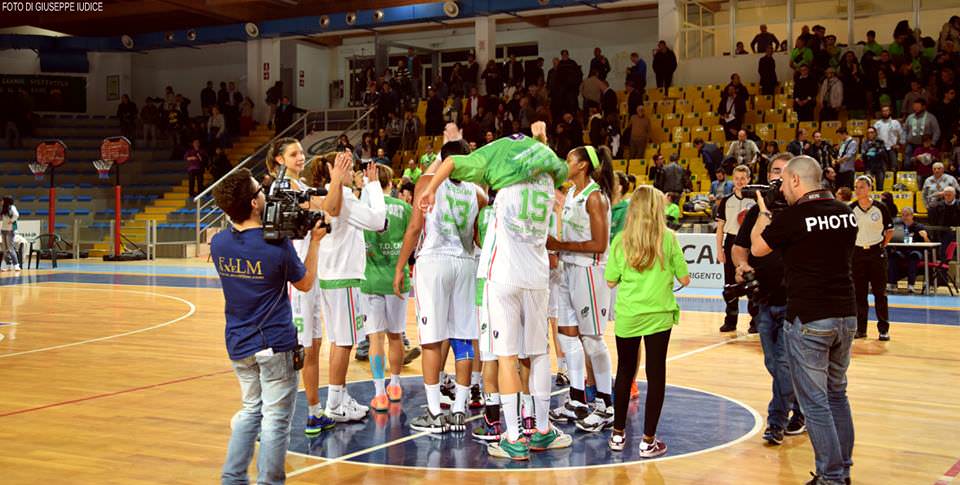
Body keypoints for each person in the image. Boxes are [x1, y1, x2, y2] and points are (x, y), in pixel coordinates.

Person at [415, 122, 571, 459]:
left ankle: (513, 438)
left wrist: (430, 189)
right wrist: (542, 137)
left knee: (506, 356)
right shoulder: (547, 180)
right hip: (537, 275)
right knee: (540, 353)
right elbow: (548, 160)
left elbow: (453, 162)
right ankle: (542, 430)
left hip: (502, 275)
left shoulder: (500, 171)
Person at [210, 168, 327, 485]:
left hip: (239, 344)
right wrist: (315, 242)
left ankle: (232, 478)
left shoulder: (218, 244)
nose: (264, 194)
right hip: (274, 343)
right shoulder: (275, 246)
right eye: (258, 191)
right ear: (253, 204)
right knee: (275, 420)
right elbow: (304, 283)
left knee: (250, 410)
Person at [750, 155, 858, 485]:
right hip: (846, 315)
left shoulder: (794, 217)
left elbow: (757, 248)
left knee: (815, 404)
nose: (781, 189)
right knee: (837, 394)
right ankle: (843, 469)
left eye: (784, 183)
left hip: (810, 317)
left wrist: (765, 212)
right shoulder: (845, 213)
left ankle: (831, 477)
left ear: (796, 180)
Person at [395, 138, 486, 434]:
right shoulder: (478, 193)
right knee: (462, 337)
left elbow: (414, 229)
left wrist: (399, 268)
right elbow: (477, 235)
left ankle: (435, 412)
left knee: (433, 338)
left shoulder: (426, 182)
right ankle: (459, 410)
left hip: (434, 262)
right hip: (466, 263)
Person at [604, 184, 690, 457]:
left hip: (629, 315)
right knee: (656, 375)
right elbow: (685, 279)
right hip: (659, 316)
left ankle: (617, 435)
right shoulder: (669, 238)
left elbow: (609, 281)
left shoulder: (621, 240)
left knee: (625, 371)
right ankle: (648, 440)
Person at [733, 152, 806, 445]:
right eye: (775, 171)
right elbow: (740, 248)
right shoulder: (756, 211)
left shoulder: (800, 211)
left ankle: (777, 421)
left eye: (784, 172)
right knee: (774, 364)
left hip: (793, 300)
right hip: (763, 298)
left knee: (785, 365)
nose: (778, 177)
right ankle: (803, 408)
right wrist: (741, 264)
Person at [547, 144, 616, 434]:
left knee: (592, 339)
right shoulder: (573, 194)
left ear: (583, 165)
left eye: (569, 159)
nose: (566, 164)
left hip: (589, 271)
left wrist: (559, 245)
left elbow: (599, 244)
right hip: (568, 268)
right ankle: (577, 399)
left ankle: (606, 405)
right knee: (568, 336)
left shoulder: (595, 197)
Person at [317, 151, 386, 425]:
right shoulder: (341, 196)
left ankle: (340, 396)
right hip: (343, 276)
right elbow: (377, 221)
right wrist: (374, 186)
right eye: (347, 167)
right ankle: (335, 402)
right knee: (345, 342)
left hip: (331, 275)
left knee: (339, 341)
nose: (352, 172)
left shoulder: (332, 194)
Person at [359, 164, 412, 412]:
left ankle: (379, 394)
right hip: (398, 279)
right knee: (396, 335)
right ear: (391, 183)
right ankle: (395, 384)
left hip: (370, 279)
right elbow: (415, 240)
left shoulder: (365, 209)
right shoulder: (404, 208)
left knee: (375, 338)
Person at [850, 176, 893, 340]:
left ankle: (883, 329)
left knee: (879, 293)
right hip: (857, 254)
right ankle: (861, 329)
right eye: (856, 187)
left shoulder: (880, 207)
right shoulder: (851, 208)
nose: (858, 190)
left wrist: (883, 245)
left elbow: (889, 230)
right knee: (859, 294)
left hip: (876, 253)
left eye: (861, 187)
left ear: (869, 189)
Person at [716, 165, 757, 332]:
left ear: (748, 179)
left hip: (750, 243)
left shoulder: (755, 200)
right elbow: (720, 228)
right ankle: (730, 320)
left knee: (752, 282)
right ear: (732, 179)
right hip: (731, 241)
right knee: (730, 283)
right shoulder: (726, 201)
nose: (740, 182)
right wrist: (719, 250)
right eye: (737, 178)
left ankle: (755, 321)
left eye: (743, 178)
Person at [888, 207, 929, 293]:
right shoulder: (897, 227)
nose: (904, 217)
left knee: (913, 257)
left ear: (912, 215)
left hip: (916, 251)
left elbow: (928, 243)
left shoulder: (920, 227)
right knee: (893, 256)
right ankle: (892, 283)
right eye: (902, 215)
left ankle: (911, 285)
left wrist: (925, 237)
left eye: (907, 215)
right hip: (902, 251)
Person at [903, 99, 940, 170]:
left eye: (918, 106)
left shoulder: (931, 117)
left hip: (924, 145)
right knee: (907, 163)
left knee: (924, 164)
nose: (915, 108)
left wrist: (933, 143)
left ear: (924, 107)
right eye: (914, 106)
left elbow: (937, 131)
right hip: (911, 144)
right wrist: (904, 140)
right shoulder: (910, 117)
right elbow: (905, 130)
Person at [873, 105, 903, 171]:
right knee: (883, 168)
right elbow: (873, 136)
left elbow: (901, 135)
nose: (885, 112)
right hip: (882, 148)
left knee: (894, 168)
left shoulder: (895, 123)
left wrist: (898, 145)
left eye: (887, 111)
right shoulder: (877, 124)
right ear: (881, 112)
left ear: (890, 112)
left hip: (892, 148)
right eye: (883, 111)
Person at [861, 127, 889, 191]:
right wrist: (873, 150)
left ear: (875, 133)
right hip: (869, 167)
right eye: (868, 133)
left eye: (872, 132)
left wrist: (872, 152)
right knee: (868, 186)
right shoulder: (864, 143)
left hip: (880, 167)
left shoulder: (881, 142)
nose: (870, 134)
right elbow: (864, 155)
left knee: (880, 187)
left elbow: (883, 153)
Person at [1, 196, 20, 272]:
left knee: (10, 248)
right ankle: (8, 265)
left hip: (10, 230)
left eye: (2, 200)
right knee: (5, 249)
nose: (1, 202)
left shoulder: (12, 207)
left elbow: (16, 215)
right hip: (3, 230)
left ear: (6, 201)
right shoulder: (4, 208)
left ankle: (16, 265)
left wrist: (11, 221)